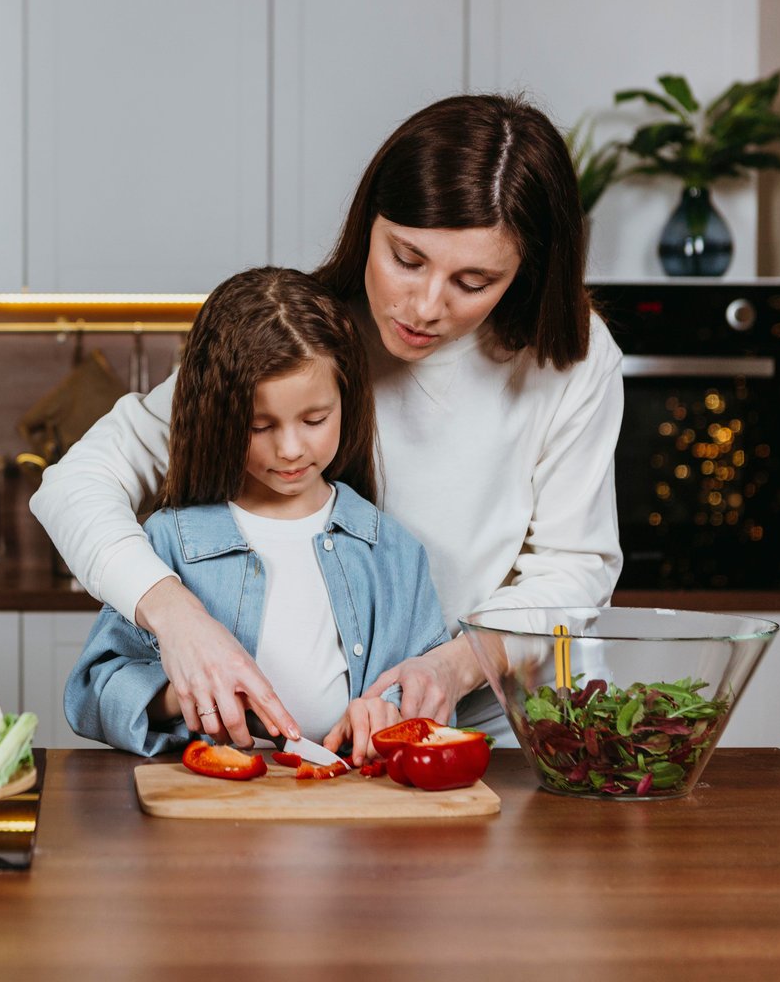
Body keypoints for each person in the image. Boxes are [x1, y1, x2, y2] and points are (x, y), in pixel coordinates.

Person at [33, 93, 624, 760]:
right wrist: (176, 619)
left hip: (497, 726)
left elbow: (574, 568)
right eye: (406, 258)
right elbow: (76, 483)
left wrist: (453, 668)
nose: (425, 306)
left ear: (526, 273)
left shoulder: (572, 358)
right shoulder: (297, 343)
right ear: (368, 222)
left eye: (474, 280)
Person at [63, 267, 448, 757]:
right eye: (259, 425)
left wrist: (391, 712)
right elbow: (91, 695)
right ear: (219, 420)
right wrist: (184, 695)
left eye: (314, 420)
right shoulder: (169, 543)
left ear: (347, 401)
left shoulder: (392, 551)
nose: (290, 449)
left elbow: (435, 701)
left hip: (355, 812)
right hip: (216, 809)